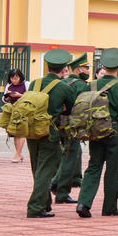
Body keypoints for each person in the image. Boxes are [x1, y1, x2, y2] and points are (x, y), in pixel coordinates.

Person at [75, 49, 118, 218]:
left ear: (104, 66)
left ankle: (83, 203)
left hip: (95, 129)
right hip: (115, 131)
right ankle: (109, 207)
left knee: (93, 166)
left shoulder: (91, 85)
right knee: (112, 170)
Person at [24, 51, 75, 218]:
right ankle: (35, 207)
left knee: (37, 168)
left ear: (47, 67)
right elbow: (71, 109)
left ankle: (45, 203)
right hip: (49, 131)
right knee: (46, 170)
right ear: (64, 69)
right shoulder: (63, 87)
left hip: (31, 129)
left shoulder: (35, 83)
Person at [50, 54, 91, 202]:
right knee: (70, 157)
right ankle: (60, 190)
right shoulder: (82, 85)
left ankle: (57, 183)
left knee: (65, 154)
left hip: (57, 123)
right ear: (79, 69)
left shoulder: (61, 82)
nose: (88, 71)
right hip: (73, 124)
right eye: (86, 68)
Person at [3, 68, 27, 163]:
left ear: (20, 77)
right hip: (13, 111)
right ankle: (19, 153)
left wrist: (19, 95)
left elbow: (31, 97)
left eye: (16, 78)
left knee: (21, 133)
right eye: (12, 78)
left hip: (24, 110)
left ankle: (17, 154)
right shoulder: (9, 86)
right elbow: (4, 100)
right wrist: (7, 97)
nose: (14, 80)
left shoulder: (26, 84)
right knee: (15, 133)